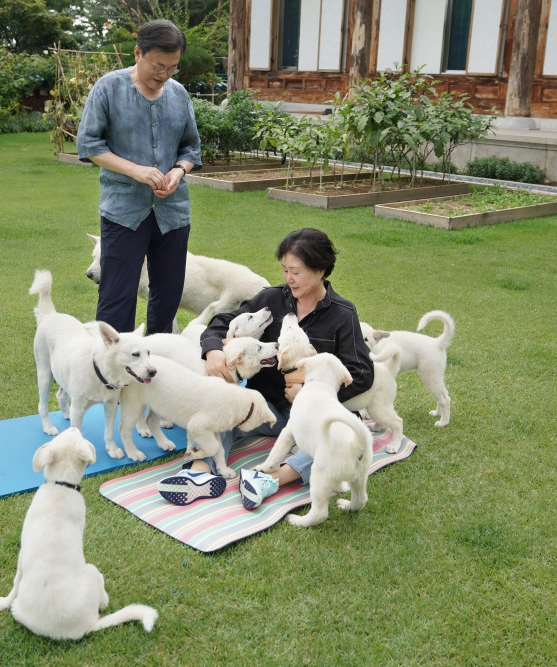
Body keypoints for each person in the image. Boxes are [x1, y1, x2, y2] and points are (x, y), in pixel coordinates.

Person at [157, 228, 375, 508]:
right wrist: (212, 349)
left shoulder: (343, 314)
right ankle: (199, 473)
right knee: (215, 401)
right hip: (260, 408)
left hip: (311, 416)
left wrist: (310, 390)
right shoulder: (271, 299)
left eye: (295, 271)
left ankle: (271, 479)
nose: (288, 278)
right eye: (285, 269)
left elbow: (362, 372)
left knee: (346, 434)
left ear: (321, 269)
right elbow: (222, 323)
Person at [76, 19, 201, 334]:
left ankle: (158, 366)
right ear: (138, 53)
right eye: (159, 67)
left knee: (168, 294)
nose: (164, 76)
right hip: (124, 210)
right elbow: (89, 145)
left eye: (172, 68)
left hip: (172, 212)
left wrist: (178, 170)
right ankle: (110, 373)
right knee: (117, 295)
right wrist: (137, 171)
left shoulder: (178, 94)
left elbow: (191, 148)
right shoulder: (109, 88)